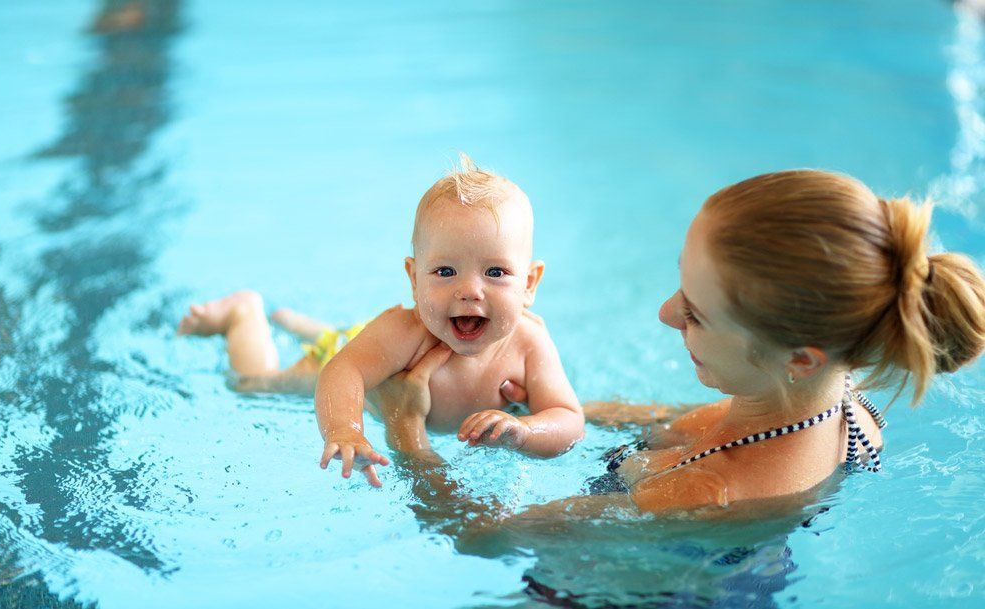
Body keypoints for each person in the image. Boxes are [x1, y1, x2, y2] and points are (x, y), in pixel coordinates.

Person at [380, 169, 985, 516]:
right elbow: (682, 423)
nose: (666, 312)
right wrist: (535, 414)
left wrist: (407, 432)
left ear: (801, 356)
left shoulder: (703, 492)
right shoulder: (838, 397)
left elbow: (483, 537)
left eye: (695, 313)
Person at [177, 155, 584, 488]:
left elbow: (567, 418)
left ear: (530, 283)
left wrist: (525, 431)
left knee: (356, 340)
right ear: (413, 278)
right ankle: (243, 314)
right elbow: (344, 369)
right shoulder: (407, 332)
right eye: (445, 272)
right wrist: (344, 427)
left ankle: (306, 325)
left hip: (372, 346)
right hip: (356, 352)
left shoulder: (529, 342)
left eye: (495, 273)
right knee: (255, 385)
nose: (470, 291)